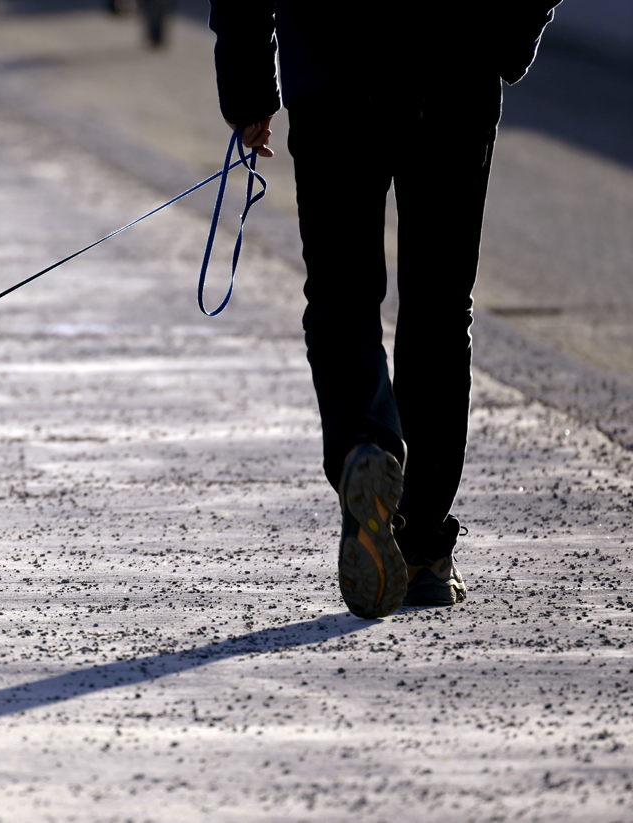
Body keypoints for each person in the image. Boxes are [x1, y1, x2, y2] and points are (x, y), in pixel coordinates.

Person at [207, 1, 561, 617]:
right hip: (455, 68)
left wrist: (248, 87)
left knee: (342, 297)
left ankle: (363, 446)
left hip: (333, 72)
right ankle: (421, 549)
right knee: (439, 308)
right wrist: (504, 35)